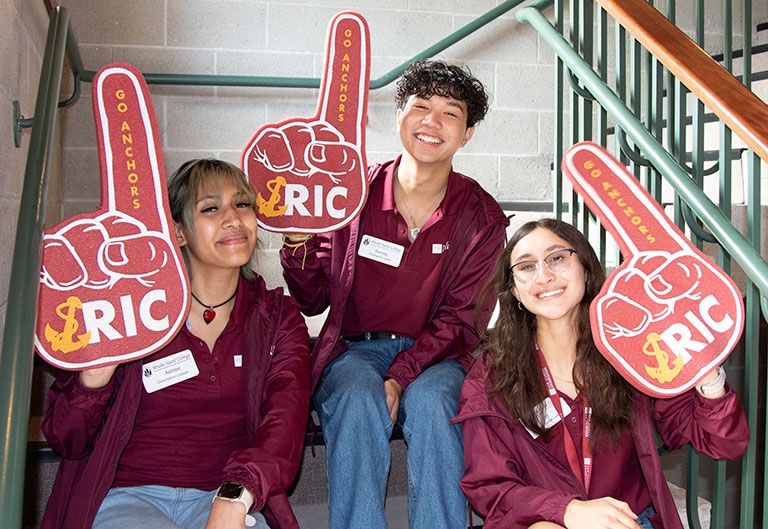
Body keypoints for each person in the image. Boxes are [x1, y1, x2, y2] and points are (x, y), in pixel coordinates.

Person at [280, 60, 508, 528]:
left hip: (440, 358)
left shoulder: (482, 215)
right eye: (420, 106)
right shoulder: (350, 193)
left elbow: (463, 320)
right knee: (356, 396)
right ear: (398, 114)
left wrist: (402, 375)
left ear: (467, 134)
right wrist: (297, 242)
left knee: (435, 403)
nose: (432, 121)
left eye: (450, 113)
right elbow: (313, 300)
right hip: (355, 352)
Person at [40, 159, 311, 529]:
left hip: (227, 494)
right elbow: (66, 439)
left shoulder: (277, 316)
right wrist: (93, 381)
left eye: (242, 204)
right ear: (178, 232)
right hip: (130, 496)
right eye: (211, 208)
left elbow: (286, 418)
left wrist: (237, 494)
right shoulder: (128, 310)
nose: (233, 218)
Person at [452, 218, 750, 529]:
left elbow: (723, 444)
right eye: (526, 266)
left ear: (585, 266)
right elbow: (489, 487)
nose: (545, 275)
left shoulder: (633, 350)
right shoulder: (492, 374)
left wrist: (705, 373)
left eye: (557, 258)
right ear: (514, 290)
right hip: (538, 522)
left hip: (628, 522)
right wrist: (566, 510)